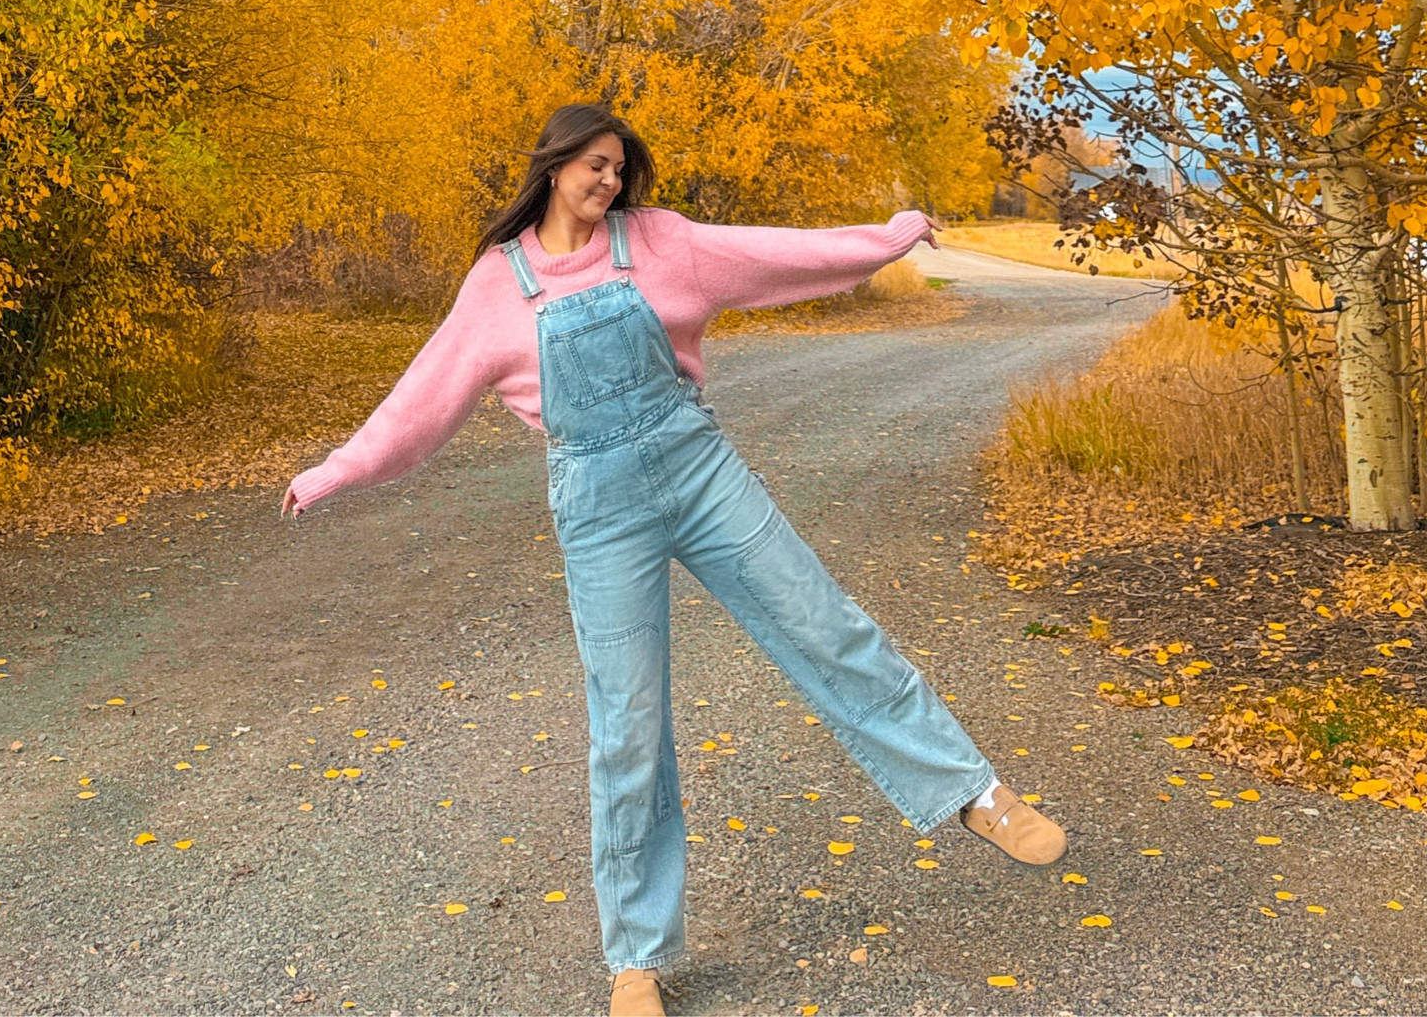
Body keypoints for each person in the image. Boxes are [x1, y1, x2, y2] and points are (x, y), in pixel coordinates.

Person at [284, 104, 1066, 1016]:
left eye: (619, 167)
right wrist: (335, 472)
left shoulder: (658, 242)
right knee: (627, 725)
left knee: (821, 621)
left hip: (698, 471)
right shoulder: (497, 286)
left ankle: (974, 794)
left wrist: (884, 241)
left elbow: (781, 253)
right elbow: (419, 403)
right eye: (593, 163)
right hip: (599, 510)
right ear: (552, 165)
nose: (608, 180)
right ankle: (637, 962)